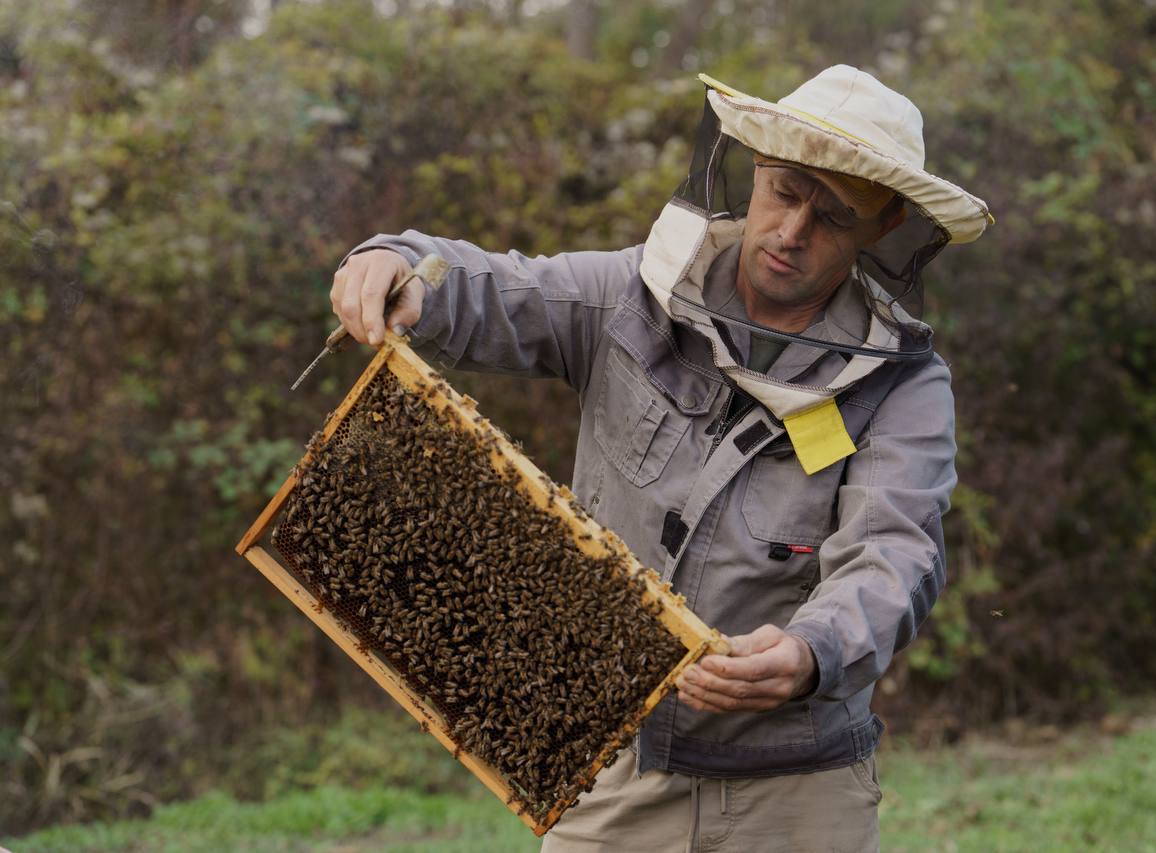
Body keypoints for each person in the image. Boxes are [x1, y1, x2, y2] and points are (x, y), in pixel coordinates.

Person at [329, 65, 991, 852]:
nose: (790, 231)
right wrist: (399, 265)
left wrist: (813, 649)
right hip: (613, 768)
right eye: (784, 191)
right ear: (753, 170)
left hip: (799, 790)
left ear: (884, 229)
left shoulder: (903, 385)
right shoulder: (629, 299)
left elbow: (894, 552)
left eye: (834, 215)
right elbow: (495, 287)